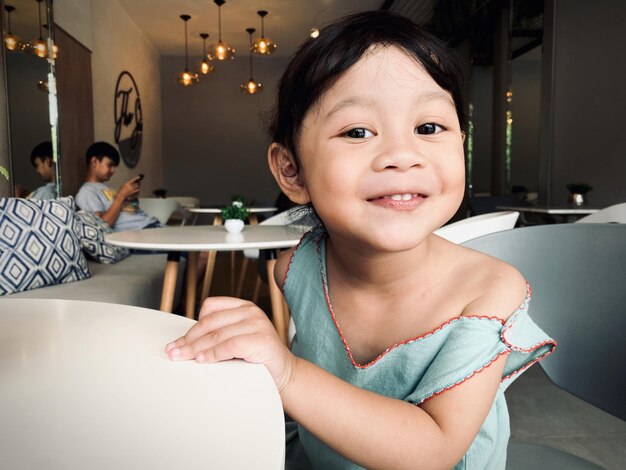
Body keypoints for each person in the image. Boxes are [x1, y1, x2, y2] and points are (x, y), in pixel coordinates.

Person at [165, 11, 556, 469]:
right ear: (292, 170)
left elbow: (434, 448)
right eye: (357, 131)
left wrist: (287, 373)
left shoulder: (489, 291)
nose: (401, 156)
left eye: (428, 128)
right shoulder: (296, 267)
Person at [75, 141, 158, 231]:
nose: (113, 170)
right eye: (110, 165)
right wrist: (121, 195)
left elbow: (131, 211)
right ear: (94, 162)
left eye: (114, 167)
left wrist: (131, 199)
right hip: (141, 231)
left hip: (150, 224)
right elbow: (100, 226)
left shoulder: (108, 188)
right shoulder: (86, 192)